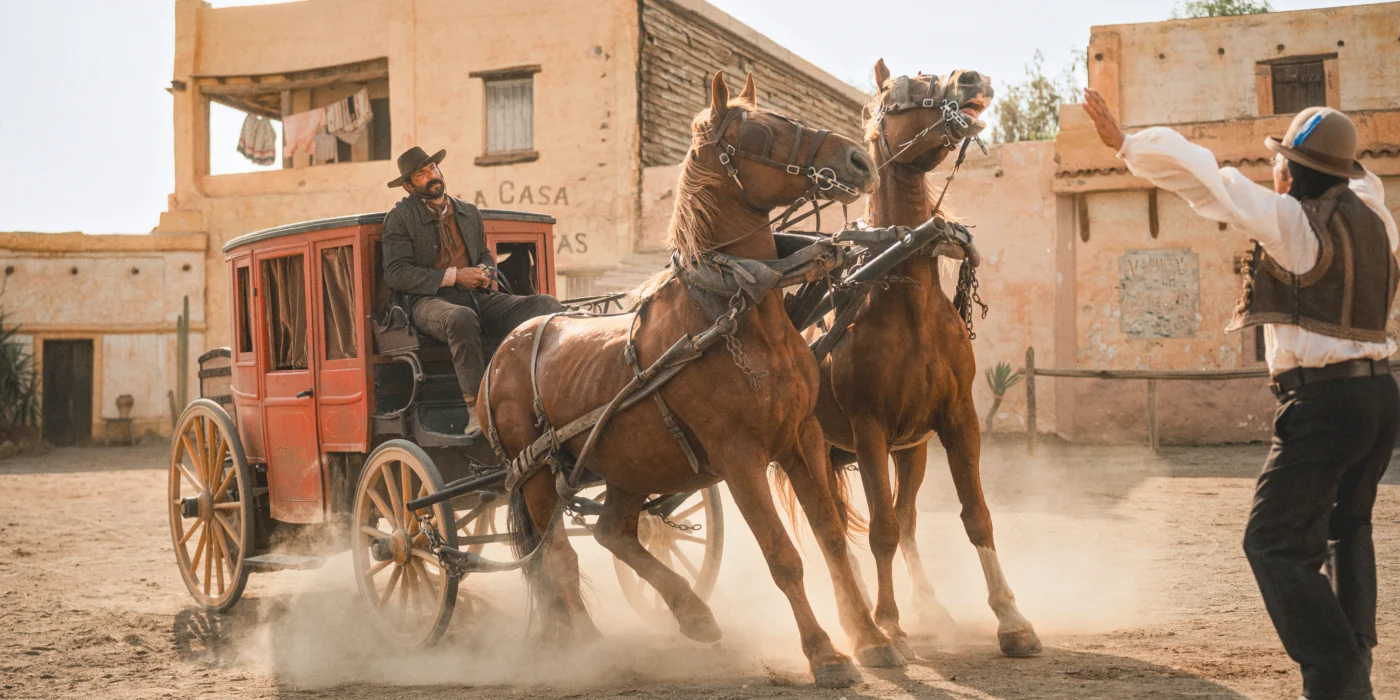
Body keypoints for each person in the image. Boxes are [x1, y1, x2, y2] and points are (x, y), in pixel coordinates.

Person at [1082, 88, 1398, 700]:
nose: (1272, 167)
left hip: (1325, 406)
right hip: (1381, 398)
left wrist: (1126, 144)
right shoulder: (1374, 213)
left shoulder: (1293, 223)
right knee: (1348, 528)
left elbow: (1211, 180)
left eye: (1279, 159)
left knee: (1272, 544)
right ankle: (1354, 662)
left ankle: (1339, 683)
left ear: (1294, 170)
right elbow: (1363, 180)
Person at [382, 146, 563, 432]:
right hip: (426, 302)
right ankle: (476, 409)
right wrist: (454, 276)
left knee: (547, 305)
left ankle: (545, 390)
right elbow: (396, 274)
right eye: (421, 173)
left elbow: (484, 255)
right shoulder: (400, 218)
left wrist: (484, 272)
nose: (431, 176)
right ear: (408, 185)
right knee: (460, 318)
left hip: (476, 295)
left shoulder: (468, 212)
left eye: (432, 169)